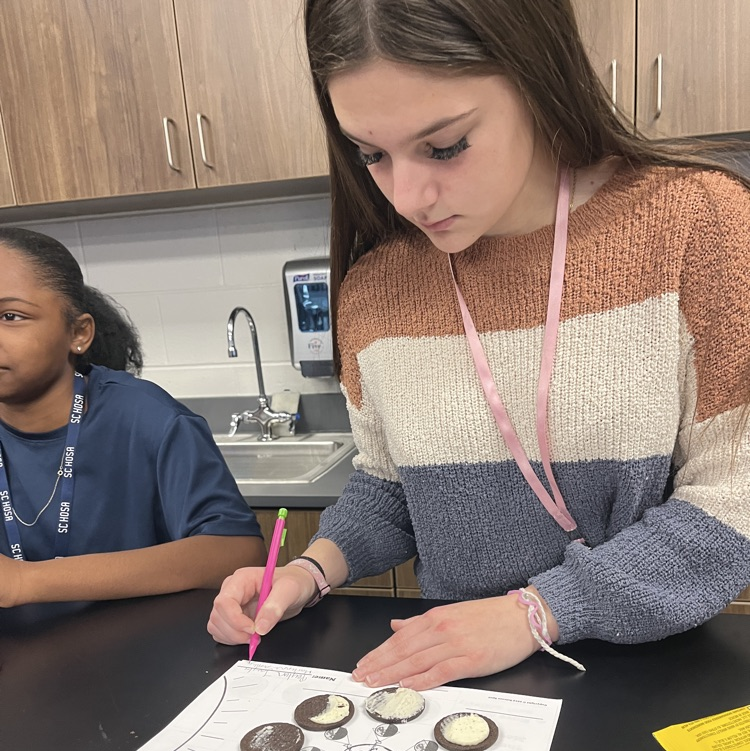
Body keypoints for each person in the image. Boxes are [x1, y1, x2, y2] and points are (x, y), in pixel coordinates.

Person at [208, 0, 750, 690]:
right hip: (458, 681)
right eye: (371, 154)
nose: (407, 196)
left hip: (645, 677)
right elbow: (394, 491)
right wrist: (307, 571)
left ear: (537, 78)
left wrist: (535, 612)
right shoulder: (376, 287)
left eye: (444, 146)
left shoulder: (697, 224)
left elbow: (736, 498)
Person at [0, 226, 266, 607]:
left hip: (139, 655)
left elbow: (236, 552)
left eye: (10, 315)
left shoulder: (151, 420)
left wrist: (27, 582)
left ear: (78, 332)